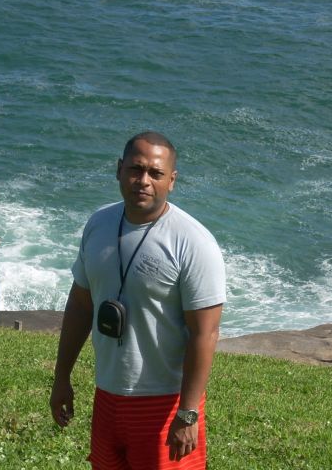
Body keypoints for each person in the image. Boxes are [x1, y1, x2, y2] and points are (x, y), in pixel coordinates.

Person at [50, 131, 226, 469]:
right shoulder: (99, 224)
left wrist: (188, 412)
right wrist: (61, 378)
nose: (143, 180)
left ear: (171, 180)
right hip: (107, 396)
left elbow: (205, 333)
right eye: (135, 169)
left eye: (156, 173)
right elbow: (81, 306)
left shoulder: (193, 242)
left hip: (164, 403)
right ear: (119, 169)